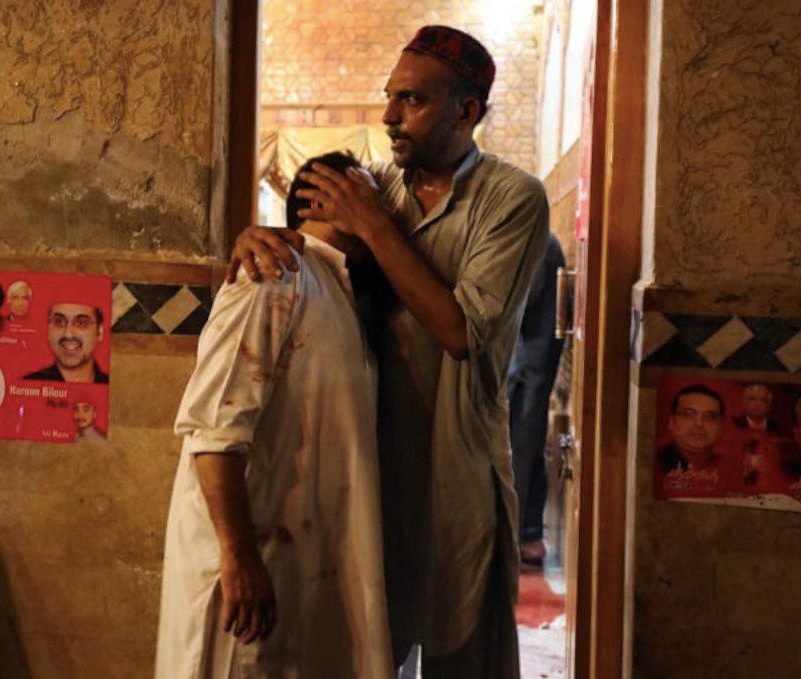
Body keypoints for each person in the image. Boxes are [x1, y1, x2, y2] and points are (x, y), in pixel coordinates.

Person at [227, 26, 549, 677]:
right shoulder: (378, 187)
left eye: (413, 100)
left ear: (466, 111)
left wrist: (375, 225)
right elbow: (313, 242)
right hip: (369, 474)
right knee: (370, 655)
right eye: (390, 97)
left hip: (457, 477)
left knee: (465, 656)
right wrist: (254, 239)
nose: (390, 116)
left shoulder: (511, 198)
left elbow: (462, 333)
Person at [156, 152, 393, 678]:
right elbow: (214, 432)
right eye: (367, 194)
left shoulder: (338, 290)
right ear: (327, 200)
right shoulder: (274, 274)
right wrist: (239, 558)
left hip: (293, 566)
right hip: (248, 567)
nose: (383, 215)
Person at [508, 233, 566, 569]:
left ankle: (517, 536)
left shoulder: (536, 238)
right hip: (528, 360)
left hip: (529, 362)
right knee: (523, 443)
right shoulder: (538, 237)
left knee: (521, 443)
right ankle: (526, 533)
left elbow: (519, 299)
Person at [24, 303, 109, 383]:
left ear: (100, 331)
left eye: (81, 323)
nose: (68, 334)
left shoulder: (111, 386)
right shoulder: (28, 385)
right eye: (59, 322)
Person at [658, 384, 726, 474]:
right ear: (671, 422)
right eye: (689, 415)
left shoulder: (729, 468)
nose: (699, 424)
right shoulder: (654, 464)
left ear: (720, 427)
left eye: (709, 417)